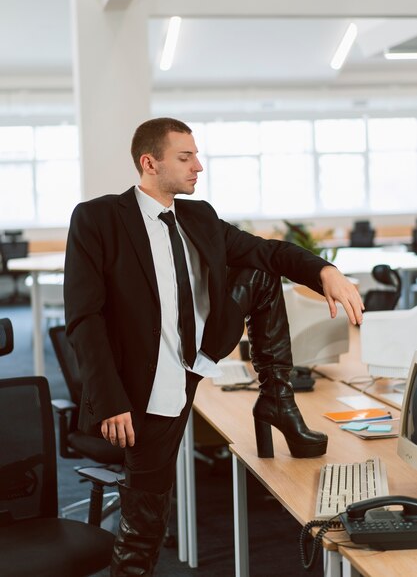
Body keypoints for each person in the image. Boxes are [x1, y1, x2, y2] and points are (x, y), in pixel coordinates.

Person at [64, 117, 364, 576]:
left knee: (261, 272)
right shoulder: (99, 218)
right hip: (147, 384)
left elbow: (267, 251)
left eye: (196, 156)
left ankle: (277, 401)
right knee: (146, 515)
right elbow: (84, 318)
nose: (198, 166)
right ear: (150, 162)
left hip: (198, 357)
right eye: (185, 157)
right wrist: (109, 400)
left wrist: (324, 272)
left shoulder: (197, 216)